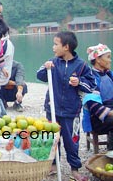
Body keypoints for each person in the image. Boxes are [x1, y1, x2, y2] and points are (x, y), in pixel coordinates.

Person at [36, 31, 96, 181]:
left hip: (71, 111)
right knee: (52, 138)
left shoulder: (81, 65)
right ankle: (53, 165)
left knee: (72, 141)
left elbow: (91, 85)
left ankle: (74, 169)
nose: (53, 47)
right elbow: (40, 75)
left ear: (66, 47)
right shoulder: (53, 62)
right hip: (53, 109)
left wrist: (79, 82)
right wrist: (45, 67)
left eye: (56, 44)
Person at [82, 43, 113, 150]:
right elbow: (93, 105)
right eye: (108, 57)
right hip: (97, 118)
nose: (110, 60)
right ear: (98, 59)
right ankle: (111, 152)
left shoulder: (109, 75)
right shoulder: (91, 78)